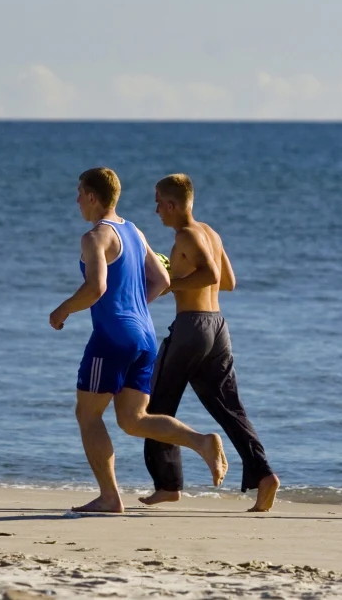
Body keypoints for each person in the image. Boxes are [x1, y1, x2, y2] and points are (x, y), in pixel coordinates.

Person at [50, 167, 228, 513]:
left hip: (112, 338)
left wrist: (62, 311)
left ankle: (109, 497)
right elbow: (162, 279)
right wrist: (134, 305)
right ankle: (202, 441)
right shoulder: (133, 231)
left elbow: (96, 288)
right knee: (133, 420)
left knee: (87, 415)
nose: (76, 201)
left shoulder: (95, 237)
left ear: (91, 197)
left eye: (78, 194)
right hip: (144, 334)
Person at [139, 173, 279, 512]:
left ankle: (168, 485)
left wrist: (171, 282)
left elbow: (213, 277)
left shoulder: (186, 234)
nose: (156, 209)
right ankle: (263, 476)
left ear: (173, 205)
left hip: (191, 327)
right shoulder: (209, 232)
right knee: (229, 408)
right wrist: (186, 275)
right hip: (217, 327)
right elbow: (229, 282)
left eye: (159, 202)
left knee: (156, 405)